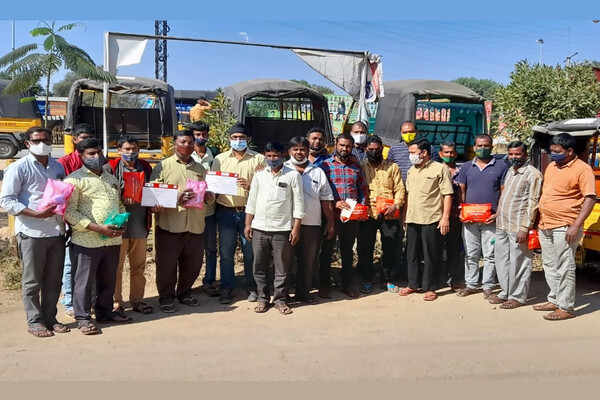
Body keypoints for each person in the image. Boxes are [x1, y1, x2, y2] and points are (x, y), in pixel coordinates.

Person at [0, 126, 69, 337]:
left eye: (47, 140)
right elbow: (6, 201)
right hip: (32, 232)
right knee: (32, 280)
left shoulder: (57, 166)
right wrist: (35, 214)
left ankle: (50, 318)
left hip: (56, 231)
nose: (43, 144)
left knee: (54, 279)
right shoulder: (18, 167)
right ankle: (35, 321)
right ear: (28, 143)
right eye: (37, 140)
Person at [64, 138, 132, 335]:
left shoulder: (110, 178)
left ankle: (105, 312)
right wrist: (96, 227)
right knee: (83, 282)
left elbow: (119, 205)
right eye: (91, 154)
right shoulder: (74, 180)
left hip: (112, 239)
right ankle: (83, 318)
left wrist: (123, 222)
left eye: (99, 153)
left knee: (107, 278)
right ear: (80, 156)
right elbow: (70, 212)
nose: (97, 157)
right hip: (87, 240)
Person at [150, 130, 214, 313]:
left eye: (190, 142)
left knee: (193, 264)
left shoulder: (200, 169)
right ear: (175, 144)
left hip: (195, 224)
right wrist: (177, 198)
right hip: (171, 224)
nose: (186, 145)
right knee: (167, 265)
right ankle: (166, 297)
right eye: (183, 141)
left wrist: (209, 196)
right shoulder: (163, 166)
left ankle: (185, 293)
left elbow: (208, 194)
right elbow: (154, 195)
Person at [536, 132, 595, 320]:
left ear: (569, 151)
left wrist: (576, 225)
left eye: (557, 151)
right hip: (546, 223)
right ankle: (554, 299)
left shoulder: (582, 169)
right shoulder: (552, 166)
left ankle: (566, 307)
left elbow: (590, 198)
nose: (553, 154)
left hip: (566, 225)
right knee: (550, 264)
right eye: (552, 151)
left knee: (564, 266)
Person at [244, 141, 305, 315]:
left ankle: (280, 299)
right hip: (260, 228)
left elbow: (299, 203)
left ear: (283, 155)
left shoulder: (293, 176)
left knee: (282, 267)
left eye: (276, 156)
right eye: (269, 156)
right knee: (259, 266)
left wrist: (296, 227)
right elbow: (252, 201)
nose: (272, 159)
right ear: (265, 156)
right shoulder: (259, 175)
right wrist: (248, 224)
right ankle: (263, 299)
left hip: (282, 229)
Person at [212, 123, 266, 304]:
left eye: (241, 137)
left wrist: (250, 186)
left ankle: (251, 286)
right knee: (226, 253)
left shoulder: (259, 159)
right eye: (234, 137)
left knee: (250, 253)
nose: (238, 141)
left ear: (248, 139)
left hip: (248, 214)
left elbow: (266, 186)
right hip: (225, 212)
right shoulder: (219, 159)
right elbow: (212, 185)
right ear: (229, 139)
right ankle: (227, 287)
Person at [103, 135, 154, 315]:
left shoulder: (146, 167)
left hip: (140, 224)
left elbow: (154, 189)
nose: (131, 152)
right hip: (118, 226)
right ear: (119, 151)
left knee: (138, 266)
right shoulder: (110, 168)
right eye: (127, 149)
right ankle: (116, 301)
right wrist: (120, 198)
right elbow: (103, 195)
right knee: (115, 266)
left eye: (134, 149)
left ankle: (138, 300)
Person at [399, 138, 453, 301]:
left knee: (431, 253)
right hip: (413, 218)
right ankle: (413, 283)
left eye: (413, 153)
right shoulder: (411, 171)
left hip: (431, 218)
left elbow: (447, 194)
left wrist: (445, 218)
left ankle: (431, 287)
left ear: (424, 152)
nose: (411, 156)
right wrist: (404, 216)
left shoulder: (440, 169)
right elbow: (408, 195)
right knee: (412, 252)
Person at [491, 141, 542, 309]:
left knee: (519, 262)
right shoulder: (510, 172)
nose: (514, 157)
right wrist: (497, 214)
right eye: (511, 154)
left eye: (518, 154)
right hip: (502, 224)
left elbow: (533, 202)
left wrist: (524, 228)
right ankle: (505, 292)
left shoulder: (532, 174)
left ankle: (517, 296)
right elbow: (505, 195)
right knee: (502, 260)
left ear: (525, 155)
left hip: (518, 227)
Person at [456, 134, 508, 299]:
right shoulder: (466, 167)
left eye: (486, 145)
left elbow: (503, 192)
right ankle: (471, 284)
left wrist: (498, 213)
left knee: (490, 254)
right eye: (479, 145)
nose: (482, 148)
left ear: (492, 146)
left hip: (490, 220)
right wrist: (461, 212)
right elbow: (462, 191)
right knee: (471, 253)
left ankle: (488, 286)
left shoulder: (501, 166)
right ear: (474, 146)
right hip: (470, 220)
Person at [284, 136, 335, 304]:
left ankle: (303, 293)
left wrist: (330, 222)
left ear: (308, 151)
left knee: (308, 261)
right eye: (295, 149)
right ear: (289, 151)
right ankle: (282, 295)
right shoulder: (282, 169)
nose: (299, 152)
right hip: (286, 224)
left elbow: (326, 199)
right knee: (285, 261)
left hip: (312, 224)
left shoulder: (317, 171)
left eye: (302, 149)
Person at [319, 132, 369, 299]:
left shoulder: (357, 166)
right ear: (336, 144)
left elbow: (363, 189)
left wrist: (362, 207)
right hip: (331, 217)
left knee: (347, 251)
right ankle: (324, 286)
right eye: (341, 145)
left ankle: (346, 285)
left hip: (351, 217)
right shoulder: (325, 166)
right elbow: (321, 191)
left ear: (352, 147)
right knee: (326, 251)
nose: (344, 148)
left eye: (348, 146)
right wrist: (334, 203)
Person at [357, 135, 405, 294]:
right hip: (368, 215)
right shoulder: (360, 167)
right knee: (365, 249)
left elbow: (399, 189)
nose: (374, 152)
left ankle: (388, 280)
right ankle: (366, 279)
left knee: (390, 248)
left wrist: (396, 205)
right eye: (371, 149)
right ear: (365, 150)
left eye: (378, 149)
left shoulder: (392, 167)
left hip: (389, 214)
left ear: (382, 149)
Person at [57, 122, 96, 318]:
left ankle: (88, 301)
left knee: (88, 264)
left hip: (93, 221)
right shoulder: (64, 163)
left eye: (89, 137)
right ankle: (69, 301)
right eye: (82, 138)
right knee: (69, 262)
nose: (86, 141)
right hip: (71, 217)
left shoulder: (96, 160)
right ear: (74, 140)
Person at [189, 121, 220, 297]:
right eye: (197, 135)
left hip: (209, 210)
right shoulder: (185, 154)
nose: (201, 138)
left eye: (203, 134)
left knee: (210, 248)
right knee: (190, 250)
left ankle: (209, 281)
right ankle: (188, 283)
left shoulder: (215, 154)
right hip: (190, 211)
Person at [438, 141, 465, 291]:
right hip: (436, 215)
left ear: (455, 153)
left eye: (451, 152)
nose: (449, 155)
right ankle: (438, 279)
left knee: (454, 248)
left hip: (455, 215)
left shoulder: (462, 170)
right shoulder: (434, 169)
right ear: (440, 154)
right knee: (435, 248)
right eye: (446, 152)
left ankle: (456, 279)